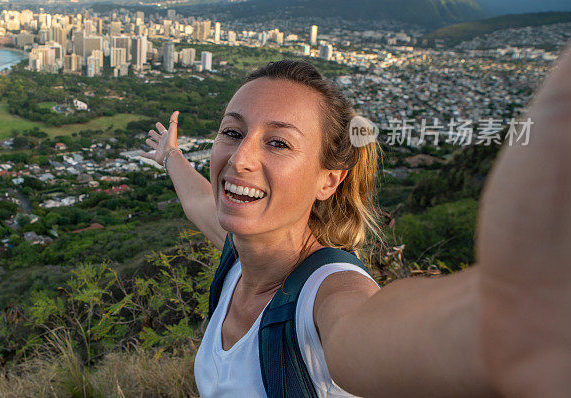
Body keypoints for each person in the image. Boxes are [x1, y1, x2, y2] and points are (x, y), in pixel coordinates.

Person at [140, 53, 571, 397]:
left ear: (328, 179)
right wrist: (172, 156)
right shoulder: (240, 255)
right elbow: (200, 201)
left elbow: (368, 331)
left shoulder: (328, 296)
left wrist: (512, 316)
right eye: (232, 133)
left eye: (278, 142)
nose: (240, 158)